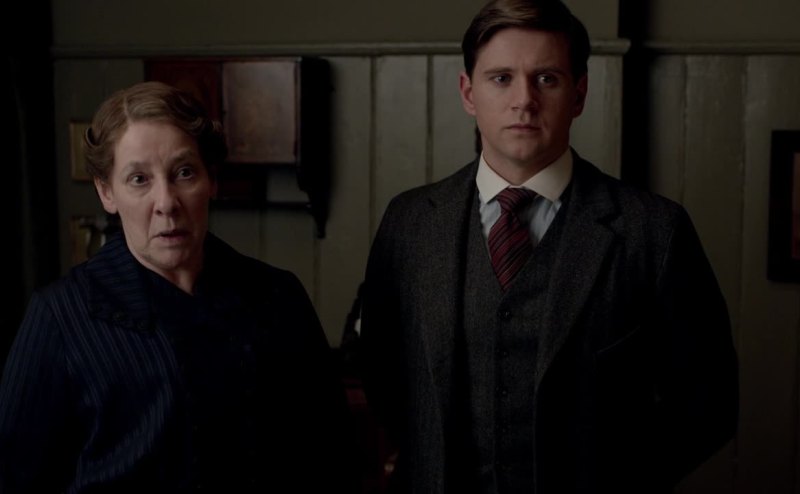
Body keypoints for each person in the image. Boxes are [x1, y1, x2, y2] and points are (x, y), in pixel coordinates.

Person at [359, 0, 739, 492]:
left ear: (579, 94)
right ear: (468, 93)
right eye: (501, 78)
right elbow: (382, 377)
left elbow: (708, 402)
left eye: (547, 79)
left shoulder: (654, 231)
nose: (524, 100)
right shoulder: (408, 224)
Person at [0, 81, 356, 492]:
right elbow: (18, 480)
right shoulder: (61, 317)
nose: (166, 202)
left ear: (212, 179)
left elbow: (333, 459)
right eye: (139, 179)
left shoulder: (278, 297)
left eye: (184, 173)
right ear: (106, 192)